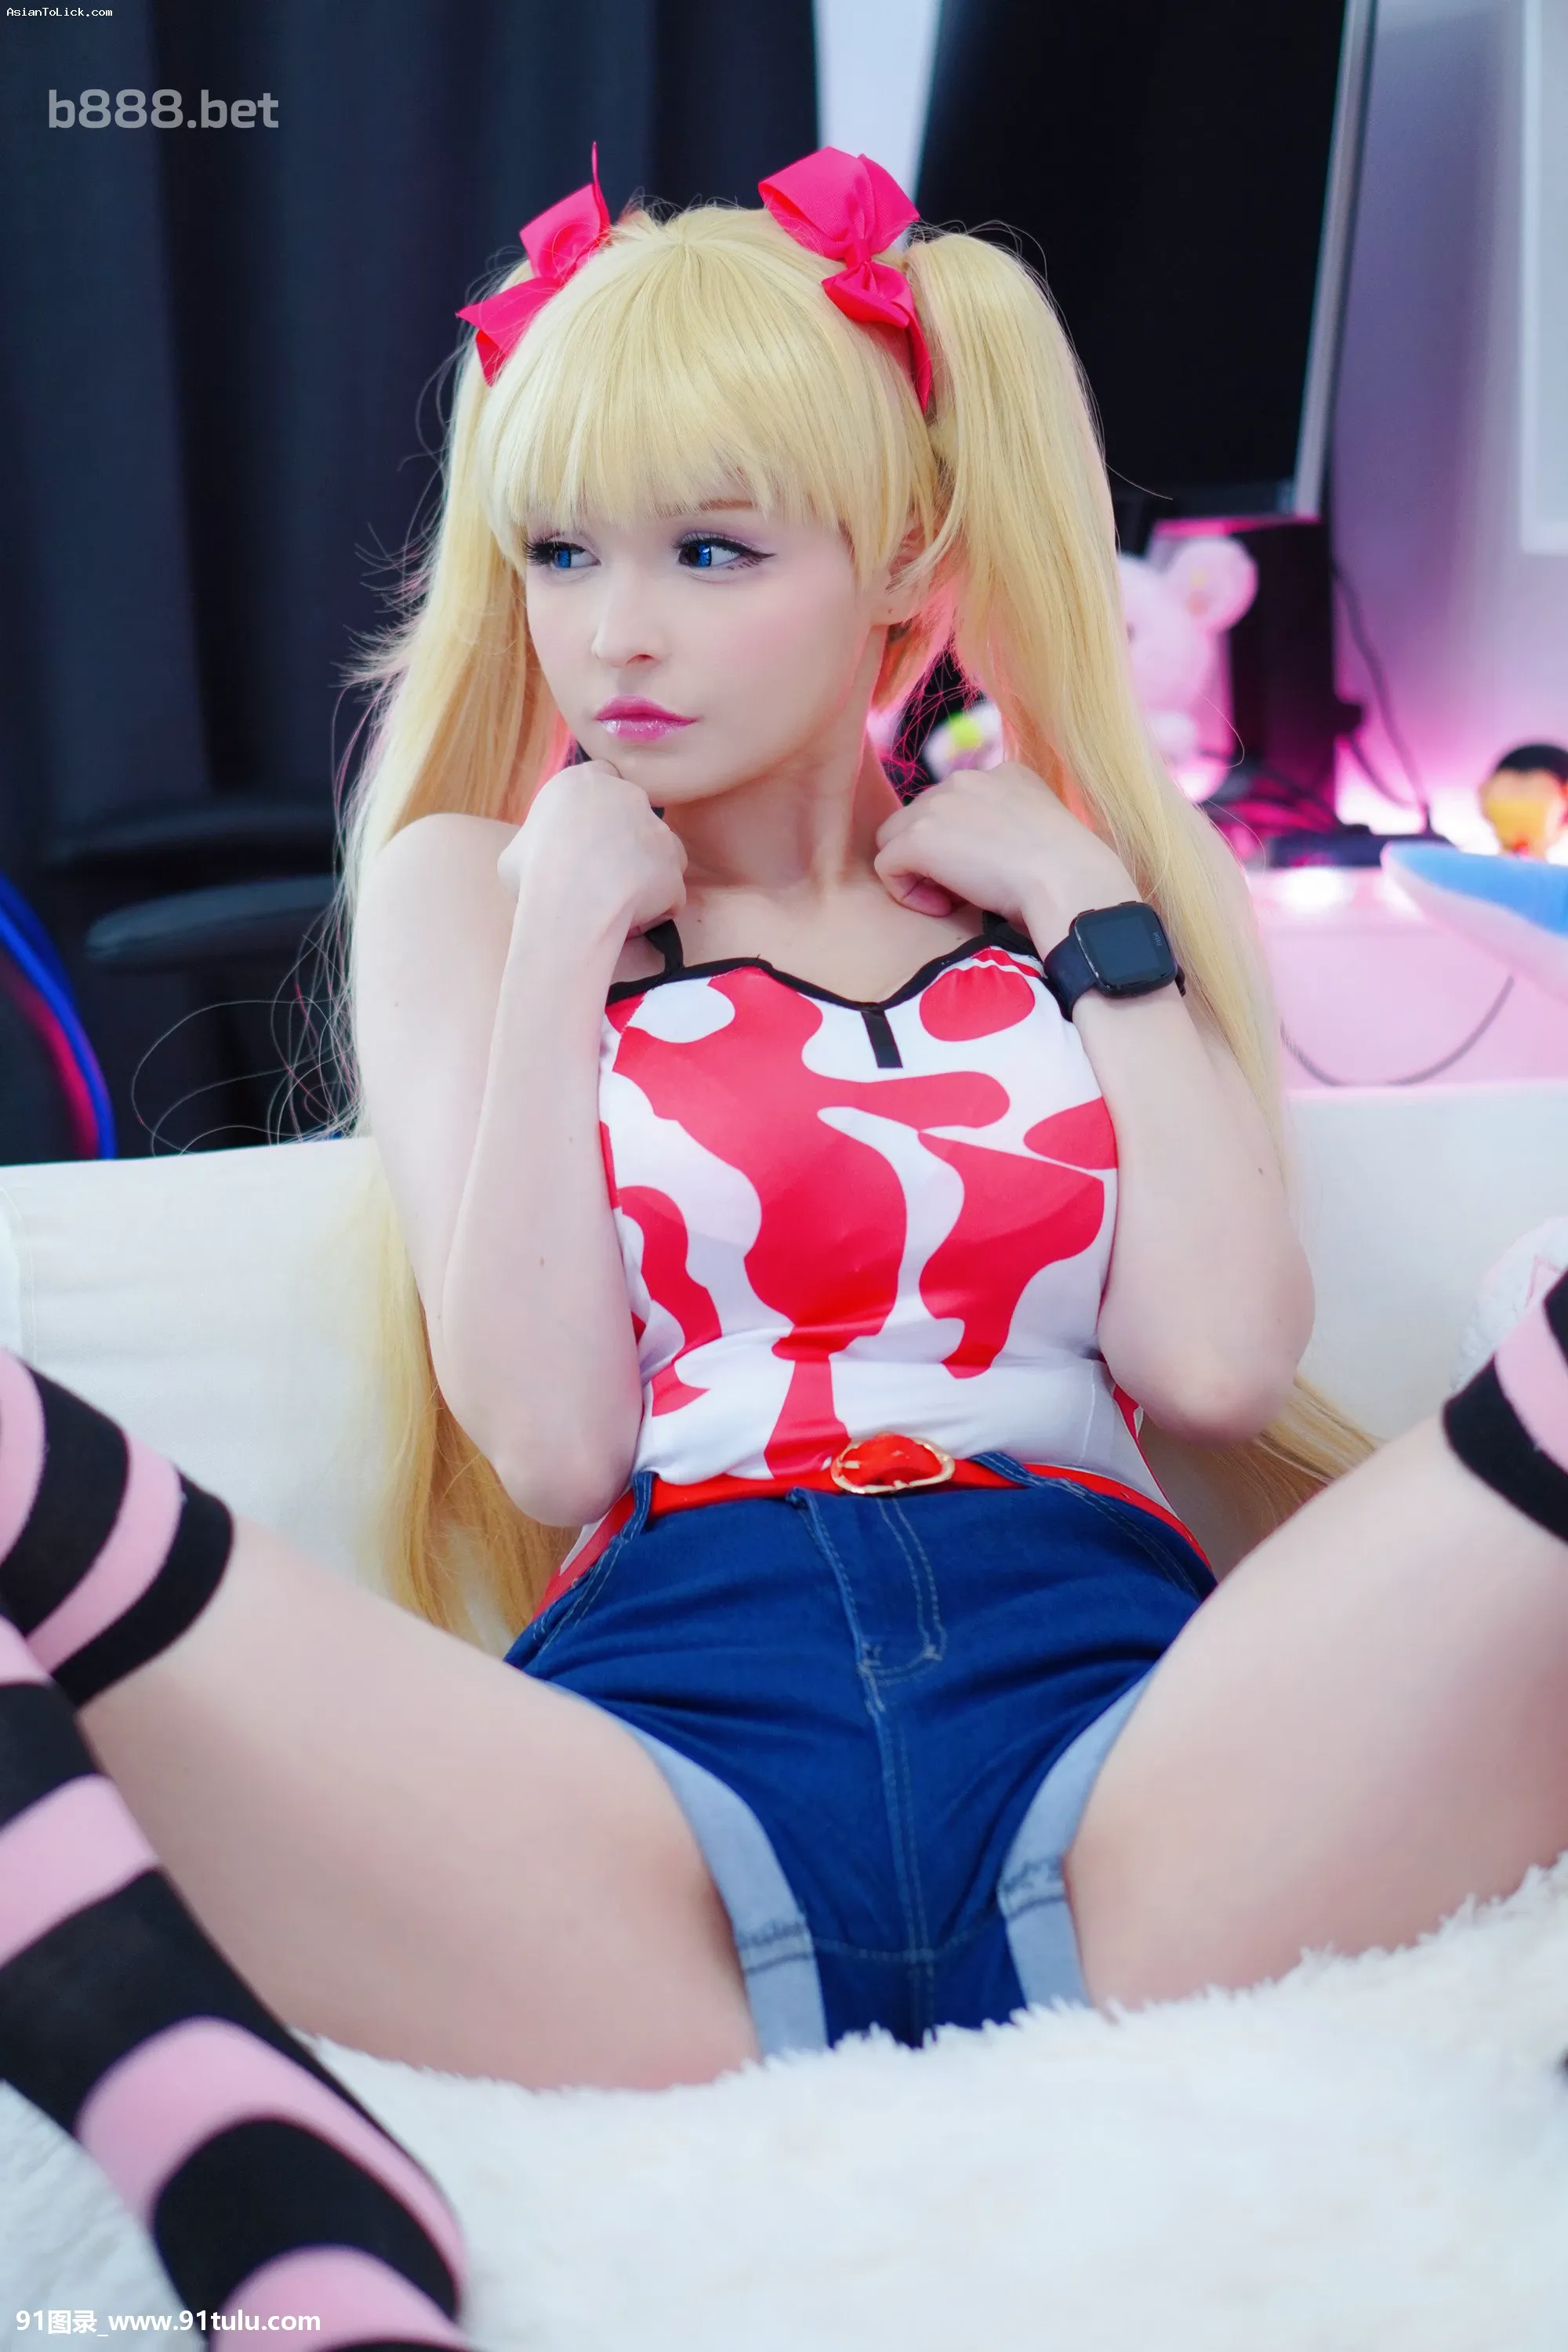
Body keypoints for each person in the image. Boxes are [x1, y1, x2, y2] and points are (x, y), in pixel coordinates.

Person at [4, 147, 1568, 2346]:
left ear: (901, 561)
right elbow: (552, 1440)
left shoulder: (1068, 897)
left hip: (1131, 1783)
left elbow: (1218, 1363)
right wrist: (564, 937)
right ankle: (261, 2193)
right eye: (561, 552)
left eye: (710, 550)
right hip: (650, 1822)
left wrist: (1088, 906)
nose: (611, 632)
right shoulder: (476, 888)